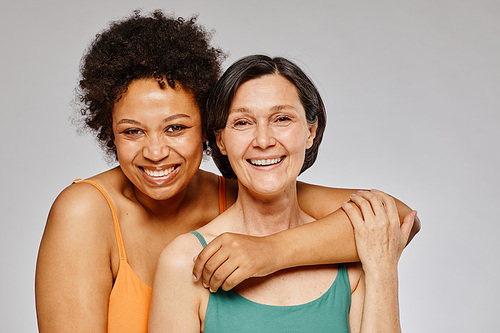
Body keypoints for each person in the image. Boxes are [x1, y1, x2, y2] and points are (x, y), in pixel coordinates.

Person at [35, 10, 419, 333]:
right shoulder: (84, 212)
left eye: (175, 127)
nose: (155, 152)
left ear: (207, 129)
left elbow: (396, 218)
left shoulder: (237, 191)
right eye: (132, 131)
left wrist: (267, 252)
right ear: (110, 133)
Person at [149, 55, 416, 332]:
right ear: (220, 140)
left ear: (310, 132)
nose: (263, 140)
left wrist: (383, 269)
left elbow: (401, 216)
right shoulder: (185, 261)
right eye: (242, 123)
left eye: (282, 118)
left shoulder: (351, 255)